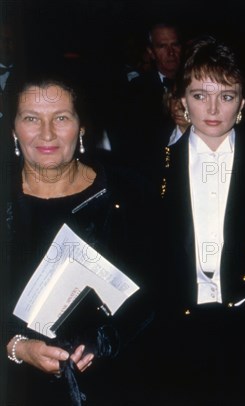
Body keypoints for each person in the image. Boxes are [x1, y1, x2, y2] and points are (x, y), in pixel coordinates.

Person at [146, 35, 245, 405]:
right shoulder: (154, 166)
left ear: (242, 102)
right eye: (199, 95)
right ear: (181, 98)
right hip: (175, 327)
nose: (212, 108)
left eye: (226, 96)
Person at [3, 73, 157, 405]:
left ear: (82, 125)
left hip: (118, 383)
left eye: (61, 118)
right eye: (31, 118)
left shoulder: (127, 193)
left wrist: (106, 339)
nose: (47, 133)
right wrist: (16, 347)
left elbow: (159, 292)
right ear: (13, 128)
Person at [117, 22, 183, 188]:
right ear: (151, 52)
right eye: (162, 46)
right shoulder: (134, 91)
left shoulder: (200, 85)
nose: (170, 52)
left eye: (175, 44)